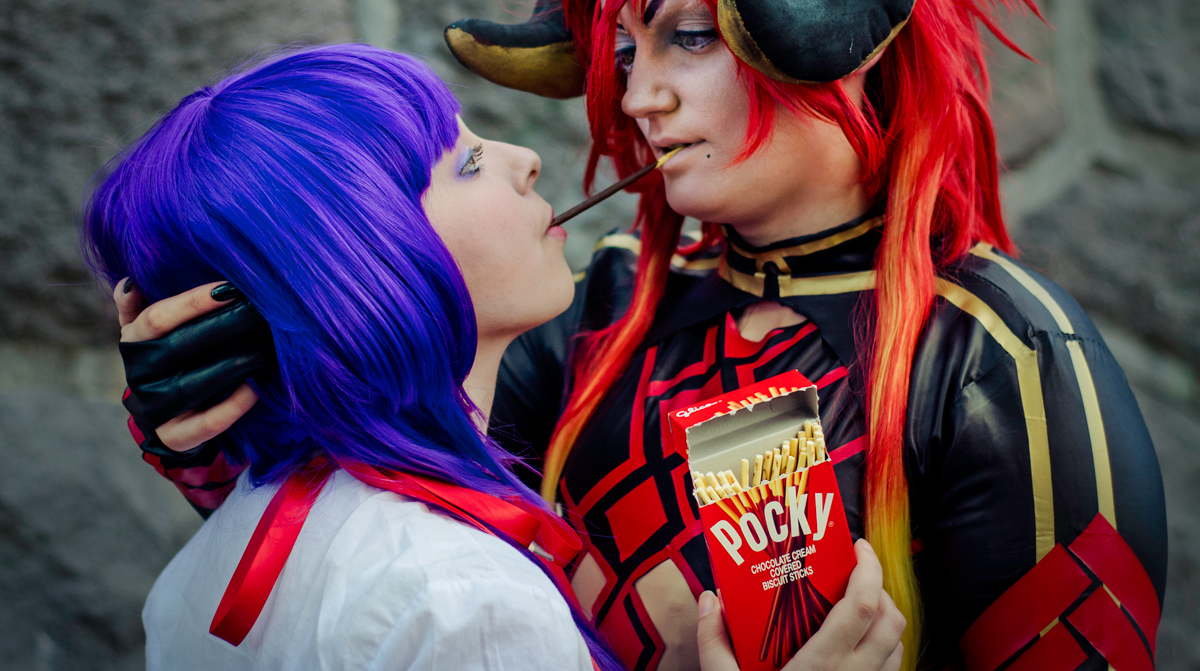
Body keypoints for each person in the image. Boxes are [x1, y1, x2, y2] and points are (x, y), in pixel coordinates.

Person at [111, 0, 1167, 669]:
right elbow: (368, 556)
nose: (637, 96)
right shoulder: (592, 312)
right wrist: (223, 418)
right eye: (622, 49)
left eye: (689, 34)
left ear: (846, 29)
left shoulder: (997, 356)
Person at [94, 44, 905, 671]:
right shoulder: (463, 603)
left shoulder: (196, 578)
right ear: (366, 266)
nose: (525, 157)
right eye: (470, 162)